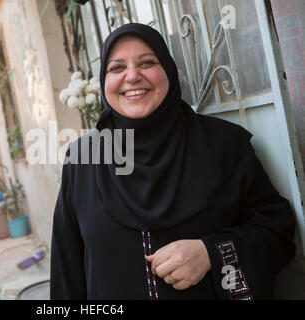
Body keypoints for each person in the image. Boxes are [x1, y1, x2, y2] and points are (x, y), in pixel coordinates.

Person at [50, 23, 296, 300]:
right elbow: (67, 268)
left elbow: (276, 230)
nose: (132, 76)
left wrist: (210, 253)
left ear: (167, 70)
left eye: (147, 62)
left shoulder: (223, 146)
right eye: (117, 68)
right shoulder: (83, 160)